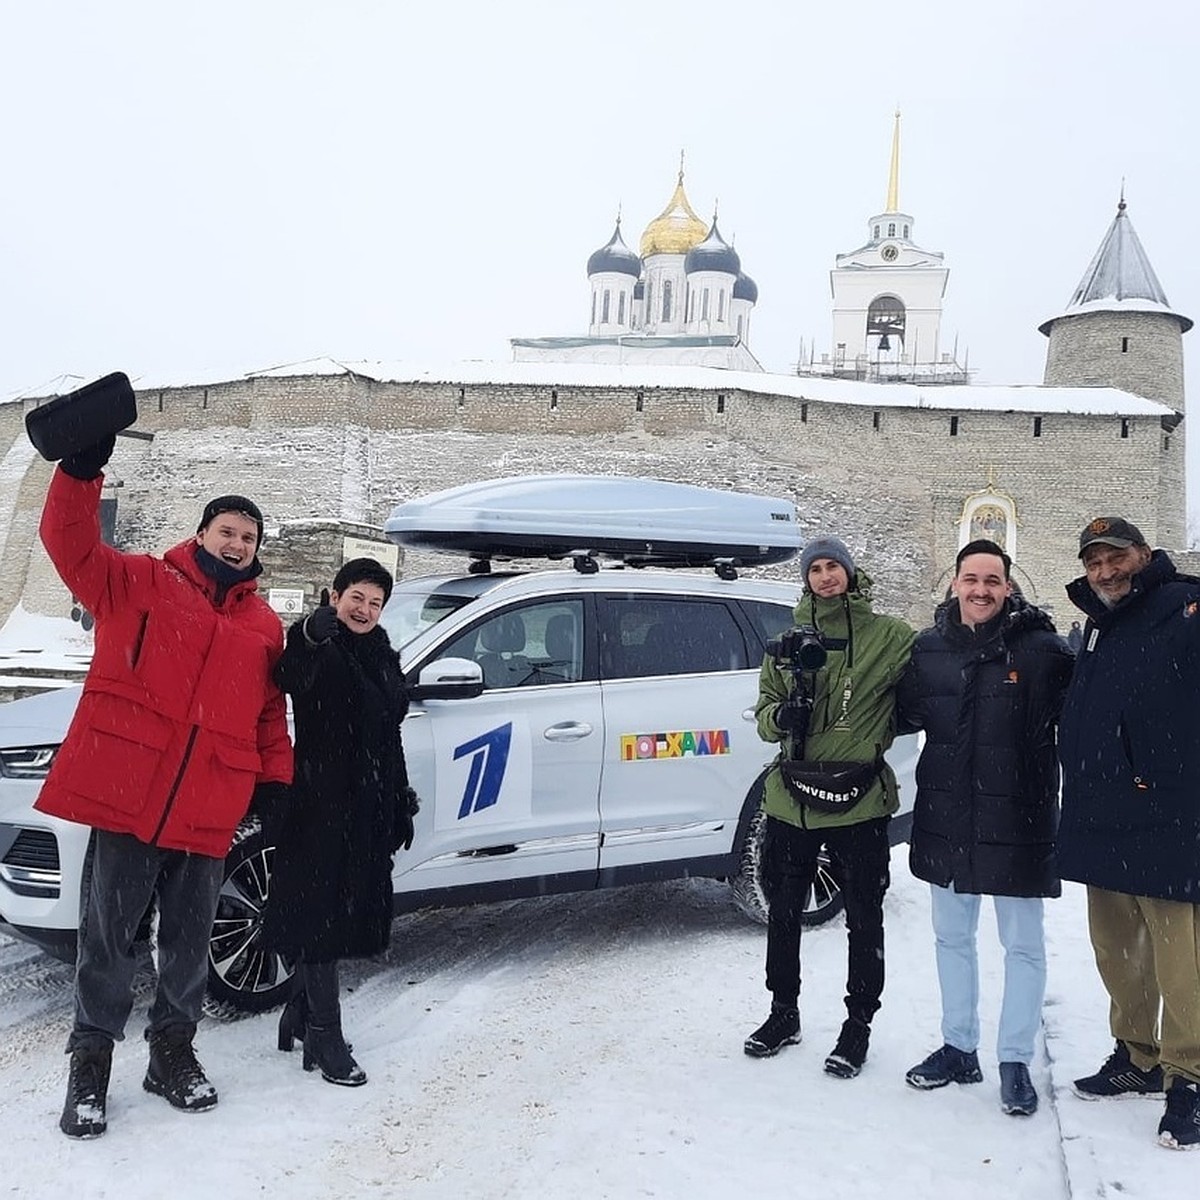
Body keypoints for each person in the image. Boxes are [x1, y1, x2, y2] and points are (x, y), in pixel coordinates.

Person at [35, 433, 293, 1139]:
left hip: (210, 805)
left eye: (248, 535)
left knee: (187, 943)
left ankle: (171, 1054)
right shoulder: (138, 582)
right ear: (201, 532)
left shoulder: (263, 626)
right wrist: (81, 472)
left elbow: (269, 714)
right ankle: (89, 1066)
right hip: (128, 795)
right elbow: (70, 545)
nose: (237, 543)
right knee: (109, 939)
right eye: (227, 531)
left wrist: (275, 783)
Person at [896, 540, 1073, 1116]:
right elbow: (892, 714)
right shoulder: (928, 652)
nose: (980, 590)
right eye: (971, 579)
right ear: (954, 584)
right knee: (952, 939)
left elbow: (1088, 718)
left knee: (1021, 945)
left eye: (992, 580)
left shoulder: (1043, 650)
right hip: (948, 820)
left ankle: (1015, 1058)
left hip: (1018, 820)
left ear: (1008, 586)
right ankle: (958, 1046)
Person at [746, 536, 914, 1078]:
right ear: (806, 579)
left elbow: (930, 674)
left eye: (833, 566)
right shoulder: (786, 643)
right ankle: (783, 1012)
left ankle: (858, 1024)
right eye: (815, 569)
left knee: (864, 918)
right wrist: (781, 721)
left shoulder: (888, 637)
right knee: (784, 912)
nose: (825, 576)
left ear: (849, 571)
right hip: (791, 798)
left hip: (860, 801)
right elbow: (764, 710)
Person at [1057, 517, 1200, 1151]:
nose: (1106, 572)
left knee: (1182, 960)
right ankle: (1136, 1056)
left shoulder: (1185, 611)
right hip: (1101, 812)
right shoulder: (1099, 622)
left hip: (1169, 815)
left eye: (1117, 558)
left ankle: (1189, 1076)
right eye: (1095, 562)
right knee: (1117, 951)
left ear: (1145, 554)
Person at [262, 558, 417, 1087]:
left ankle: (301, 1013)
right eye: (357, 597)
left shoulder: (380, 653)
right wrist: (306, 633)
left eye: (375, 603)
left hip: (367, 803)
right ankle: (326, 1033)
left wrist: (400, 801)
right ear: (335, 595)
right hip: (320, 802)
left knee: (339, 909)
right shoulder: (317, 642)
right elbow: (288, 675)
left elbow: (389, 735)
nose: (365, 609)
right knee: (319, 916)